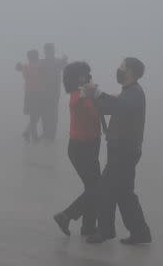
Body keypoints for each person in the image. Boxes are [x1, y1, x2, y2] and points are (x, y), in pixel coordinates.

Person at [83, 57, 152, 245]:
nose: (119, 70)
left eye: (122, 67)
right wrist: (94, 96)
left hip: (124, 151)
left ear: (130, 71)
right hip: (124, 150)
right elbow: (109, 107)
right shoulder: (129, 92)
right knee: (124, 193)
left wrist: (97, 93)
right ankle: (140, 232)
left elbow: (118, 107)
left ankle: (105, 231)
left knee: (105, 189)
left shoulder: (135, 93)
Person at [53, 62, 102, 236]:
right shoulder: (77, 96)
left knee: (92, 188)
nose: (88, 76)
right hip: (81, 149)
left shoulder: (86, 94)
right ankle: (66, 216)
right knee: (97, 188)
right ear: (77, 78)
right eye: (84, 74)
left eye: (88, 73)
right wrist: (89, 92)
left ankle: (88, 227)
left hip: (91, 145)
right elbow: (78, 102)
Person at [40, 43, 68, 141]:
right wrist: (64, 60)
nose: (47, 52)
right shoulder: (56, 62)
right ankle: (50, 134)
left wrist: (64, 61)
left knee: (47, 113)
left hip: (48, 92)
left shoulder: (42, 62)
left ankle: (49, 134)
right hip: (51, 92)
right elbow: (66, 67)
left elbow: (66, 67)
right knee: (50, 113)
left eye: (48, 50)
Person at [15, 49, 44, 143]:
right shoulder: (39, 66)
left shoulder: (26, 66)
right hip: (37, 93)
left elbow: (18, 67)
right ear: (36, 57)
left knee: (33, 115)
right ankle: (34, 137)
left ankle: (28, 132)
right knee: (36, 115)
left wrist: (19, 66)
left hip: (28, 93)